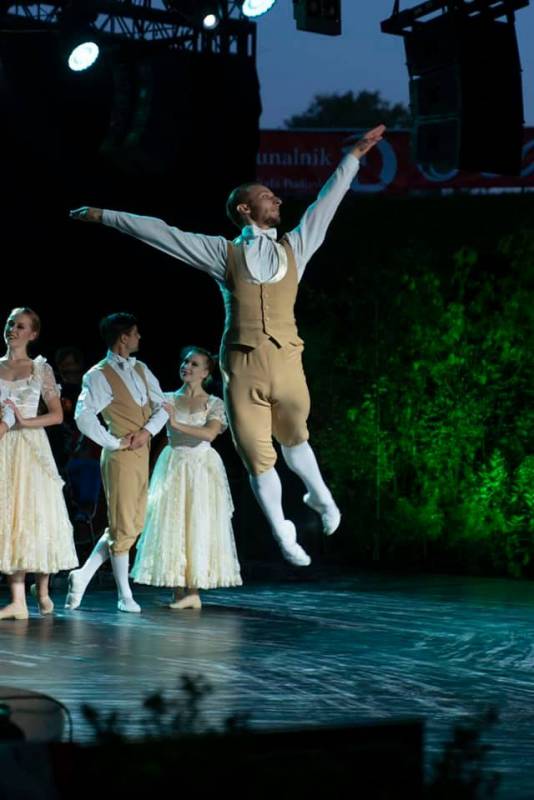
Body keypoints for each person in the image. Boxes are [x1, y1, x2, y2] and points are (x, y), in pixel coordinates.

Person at [70, 125, 385, 567]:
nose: (277, 200)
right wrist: (105, 216)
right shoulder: (224, 254)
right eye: (267, 197)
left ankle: (320, 495)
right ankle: (282, 530)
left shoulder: (295, 246)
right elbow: (162, 234)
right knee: (257, 455)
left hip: (286, 359)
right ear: (244, 208)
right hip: (241, 366)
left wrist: (352, 158)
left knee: (295, 436)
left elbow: (326, 204)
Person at [67, 312, 168, 613]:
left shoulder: (141, 369)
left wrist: (147, 432)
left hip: (141, 452)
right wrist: (113, 441)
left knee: (131, 524)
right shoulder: (98, 374)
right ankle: (124, 595)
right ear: (123, 338)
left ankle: (82, 575)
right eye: (135, 333)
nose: (139, 338)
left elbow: (164, 406)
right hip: (120, 458)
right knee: (124, 526)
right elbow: (83, 416)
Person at [131, 346, 242, 610]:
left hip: (202, 467)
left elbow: (210, 433)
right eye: (184, 362)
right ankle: (178, 589)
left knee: (198, 521)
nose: (186, 366)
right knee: (173, 521)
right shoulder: (168, 398)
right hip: (174, 463)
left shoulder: (214, 403)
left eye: (193, 364)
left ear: (205, 372)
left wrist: (176, 423)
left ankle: (193, 589)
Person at [0, 307, 78, 620]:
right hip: (5, 446)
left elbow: (57, 415)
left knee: (38, 513)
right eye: (10, 323)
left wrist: (25, 421)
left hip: (31, 446)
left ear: (33, 334)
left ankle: (42, 590)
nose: (12, 330)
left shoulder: (39, 369)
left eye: (20, 326)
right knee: (11, 517)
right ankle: (18, 599)